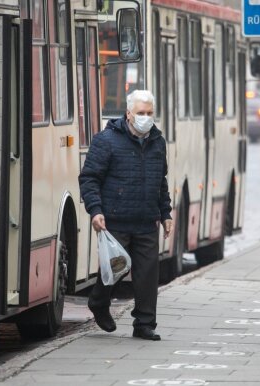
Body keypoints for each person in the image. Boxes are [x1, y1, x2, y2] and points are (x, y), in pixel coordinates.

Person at [79, 90, 172, 341]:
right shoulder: (106, 141)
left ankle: (144, 324)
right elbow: (89, 179)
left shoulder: (158, 142)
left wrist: (166, 214)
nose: (146, 118)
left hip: (146, 221)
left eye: (150, 113)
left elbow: (160, 181)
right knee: (115, 271)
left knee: (147, 275)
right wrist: (95, 211)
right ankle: (99, 302)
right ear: (129, 114)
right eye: (141, 113)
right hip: (115, 219)